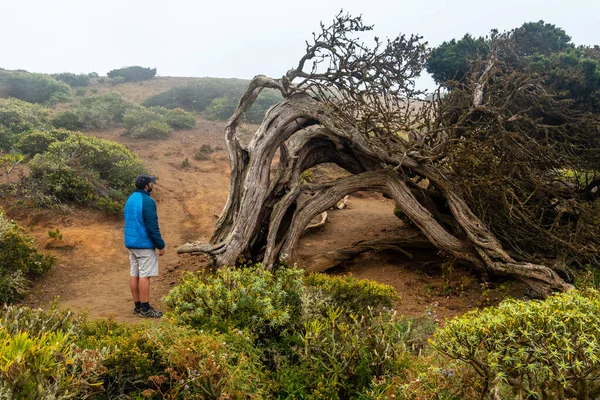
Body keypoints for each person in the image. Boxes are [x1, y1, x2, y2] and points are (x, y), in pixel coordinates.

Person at [124, 174, 165, 318]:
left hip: (131, 243)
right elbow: (152, 226)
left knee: (134, 274)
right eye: (151, 183)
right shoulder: (147, 201)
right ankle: (146, 308)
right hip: (143, 244)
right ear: (147, 185)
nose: (152, 185)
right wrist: (160, 245)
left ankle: (138, 306)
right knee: (145, 276)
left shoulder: (130, 199)